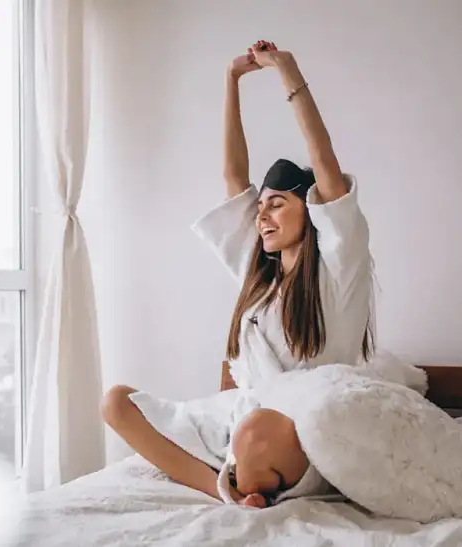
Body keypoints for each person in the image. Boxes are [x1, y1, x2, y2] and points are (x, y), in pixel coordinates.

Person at [101, 40, 374, 509]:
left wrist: (287, 71)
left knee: (254, 433)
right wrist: (231, 80)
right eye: (261, 206)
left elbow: (325, 165)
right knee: (116, 403)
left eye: (277, 204)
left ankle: (242, 475)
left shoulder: (340, 268)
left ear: (312, 211)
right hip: (244, 422)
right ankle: (223, 488)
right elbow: (233, 177)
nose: (262, 215)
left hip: (302, 435)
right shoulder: (259, 276)